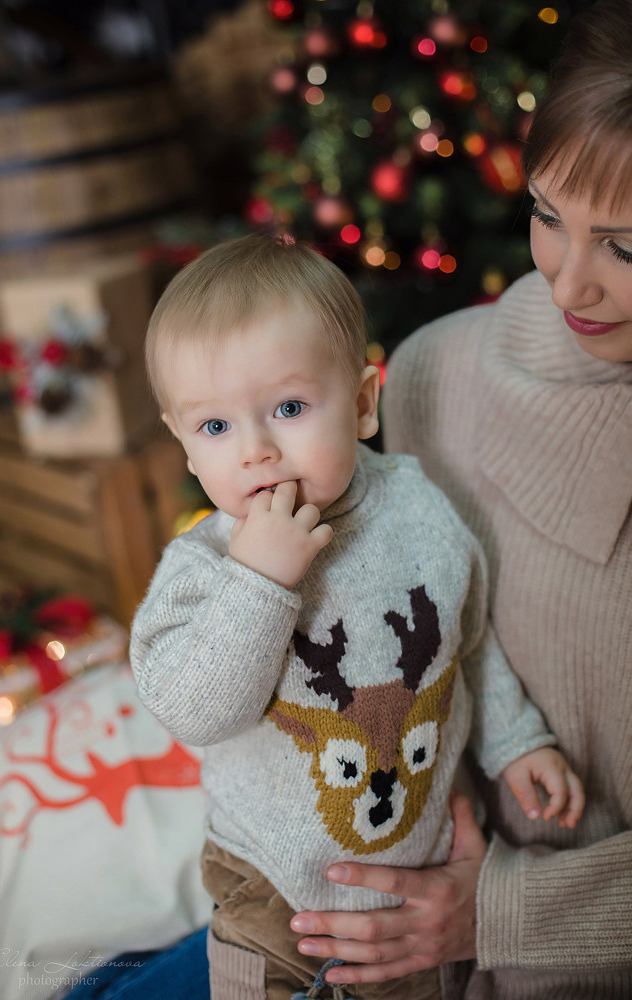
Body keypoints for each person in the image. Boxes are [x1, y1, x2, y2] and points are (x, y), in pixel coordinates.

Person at [128, 234, 583, 1000]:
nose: (257, 453)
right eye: (216, 428)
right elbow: (196, 709)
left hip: (413, 883)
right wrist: (258, 581)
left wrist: (514, 741)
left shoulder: (417, 511)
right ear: (181, 444)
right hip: (266, 886)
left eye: (290, 408)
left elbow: (463, 641)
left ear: (364, 402)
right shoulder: (207, 567)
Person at [287, 1, 632, 997]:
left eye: (627, 247)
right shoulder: (432, 372)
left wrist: (506, 906)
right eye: (547, 215)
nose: (572, 282)